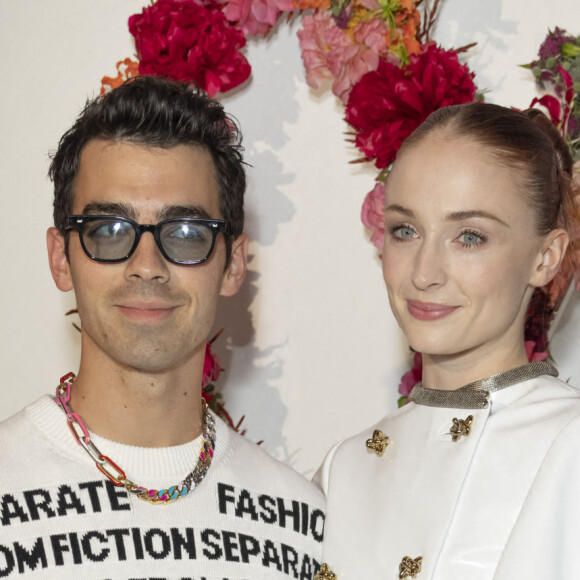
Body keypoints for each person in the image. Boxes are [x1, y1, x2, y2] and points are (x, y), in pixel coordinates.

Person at [0, 76, 324, 579]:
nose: (147, 265)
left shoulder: (304, 524)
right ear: (60, 257)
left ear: (233, 263)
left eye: (187, 232)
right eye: (108, 231)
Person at [314, 102, 580, 579]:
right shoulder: (344, 469)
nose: (423, 273)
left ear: (546, 257)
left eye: (470, 237)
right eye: (405, 231)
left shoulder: (569, 444)